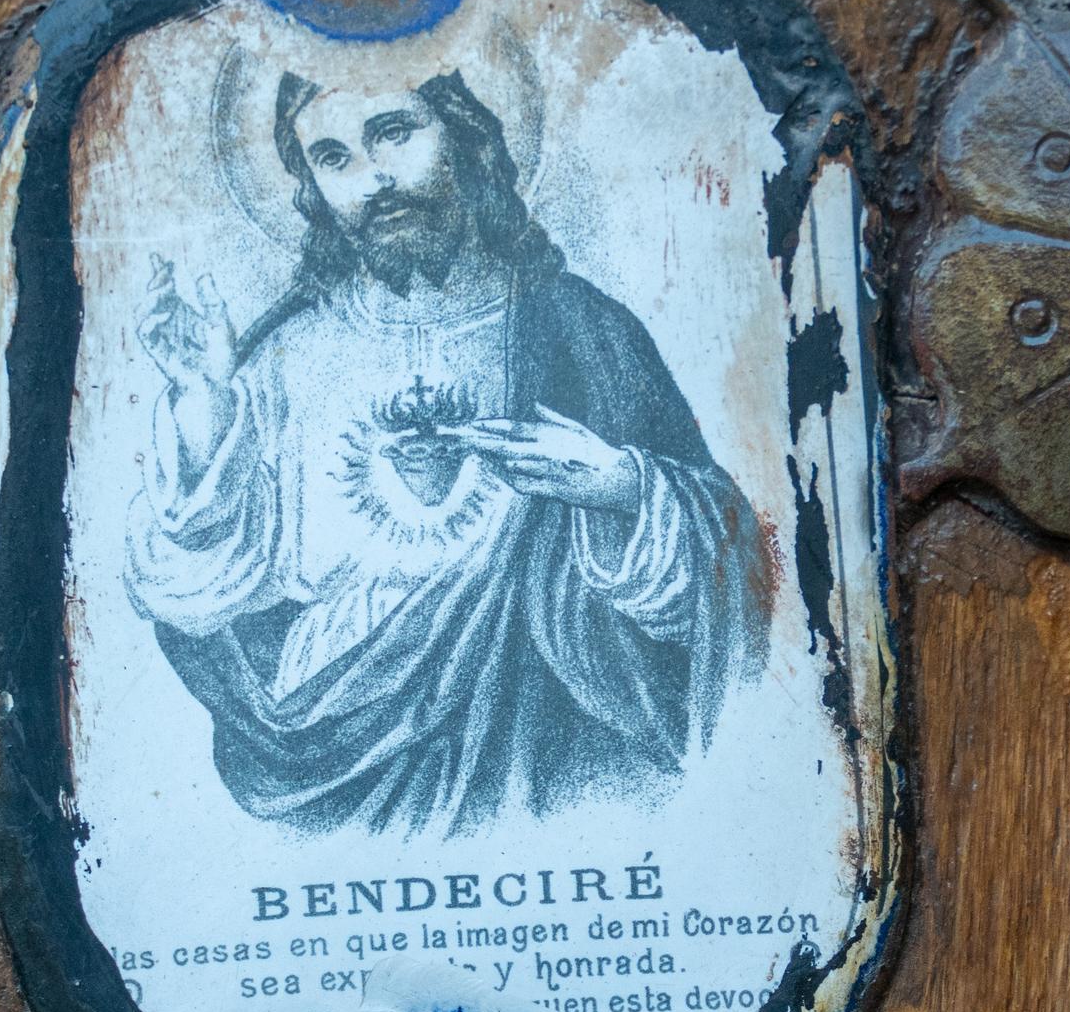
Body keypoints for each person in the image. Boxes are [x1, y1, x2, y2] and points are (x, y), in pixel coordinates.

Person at [124, 61, 766, 838]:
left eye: (393, 134)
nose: (372, 180)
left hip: (551, 759)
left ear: (467, 137)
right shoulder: (281, 355)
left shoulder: (583, 334)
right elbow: (198, 594)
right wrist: (202, 405)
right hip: (326, 753)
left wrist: (623, 488)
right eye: (333, 158)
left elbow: (735, 562)